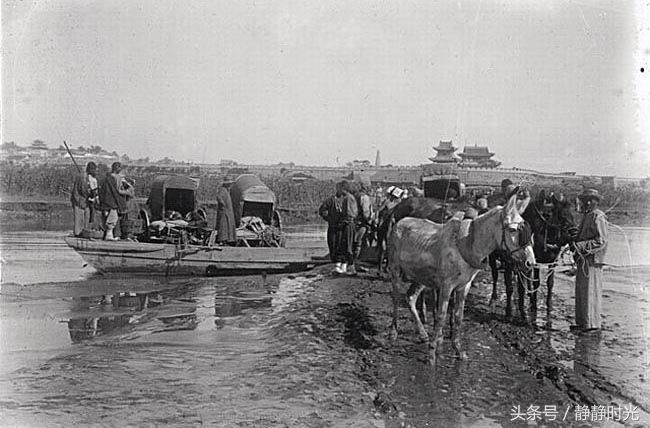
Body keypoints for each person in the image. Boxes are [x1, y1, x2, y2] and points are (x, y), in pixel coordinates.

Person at [570, 188, 608, 333]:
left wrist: (581, 245)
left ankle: (591, 325)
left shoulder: (598, 216)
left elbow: (601, 240)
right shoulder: (587, 216)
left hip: (592, 260)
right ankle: (582, 323)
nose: (587, 202)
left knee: (591, 291)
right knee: (581, 291)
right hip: (583, 259)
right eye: (585, 200)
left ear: (596, 202)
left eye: (590, 200)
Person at [99, 162, 131, 240]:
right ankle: (109, 235)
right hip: (112, 202)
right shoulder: (116, 178)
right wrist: (128, 192)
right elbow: (117, 191)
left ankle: (109, 235)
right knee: (112, 218)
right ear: (117, 168)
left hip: (105, 202)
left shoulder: (106, 178)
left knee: (107, 217)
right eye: (119, 168)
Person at [333, 180, 358, 275]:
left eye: (338, 188)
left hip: (348, 224)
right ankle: (346, 267)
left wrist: (342, 220)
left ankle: (352, 268)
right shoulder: (349, 198)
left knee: (348, 246)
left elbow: (349, 213)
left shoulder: (348, 198)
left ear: (343, 189)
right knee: (346, 245)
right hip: (348, 223)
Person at [351, 181, 374, 274]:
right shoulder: (365, 197)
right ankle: (357, 264)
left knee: (355, 242)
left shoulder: (354, 195)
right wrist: (370, 221)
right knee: (360, 243)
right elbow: (366, 212)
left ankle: (354, 263)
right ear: (366, 188)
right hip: (362, 223)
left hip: (354, 222)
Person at [319, 182, 345, 265]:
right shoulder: (331, 200)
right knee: (332, 244)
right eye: (340, 188)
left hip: (343, 227)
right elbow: (322, 210)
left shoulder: (347, 199)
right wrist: (328, 218)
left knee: (342, 245)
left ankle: (341, 261)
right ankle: (333, 261)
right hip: (333, 226)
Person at [70, 162, 97, 236]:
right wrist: (91, 194)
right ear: (90, 169)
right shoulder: (83, 177)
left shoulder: (85, 176)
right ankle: (78, 234)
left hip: (83, 201)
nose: (95, 172)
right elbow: (83, 190)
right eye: (94, 170)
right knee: (79, 219)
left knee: (86, 217)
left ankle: (84, 232)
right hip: (78, 200)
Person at [215, 175, 237, 245]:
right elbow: (219, 197)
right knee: (223, 225)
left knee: (228, 225)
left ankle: (229, 240)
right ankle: (222, 240)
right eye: (229, 184)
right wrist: (223, 205)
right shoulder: (222, 190)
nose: (230, 185)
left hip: (228, 211)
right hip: (224, 212)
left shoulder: (227, 191)